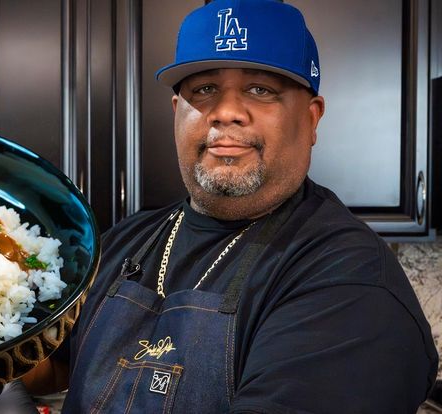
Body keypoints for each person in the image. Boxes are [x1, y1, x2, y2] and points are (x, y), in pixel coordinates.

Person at [22, 0, 439, 412]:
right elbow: (49, 365)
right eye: (204, 89)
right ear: (176, 112)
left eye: (260, 90)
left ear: (312, 119)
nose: (225, 112)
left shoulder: (351, 282)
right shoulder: (125, 241)